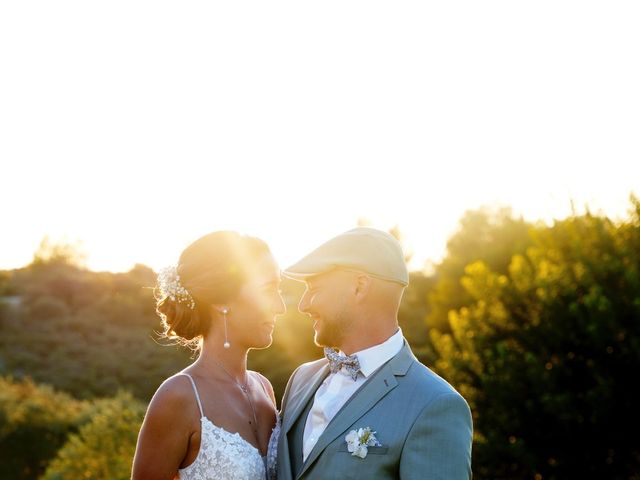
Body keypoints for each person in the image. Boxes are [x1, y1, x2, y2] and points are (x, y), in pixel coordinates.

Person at [276, 227, 473, 479]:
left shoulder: (435, 405)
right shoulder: (300, 381)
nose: (303, 305)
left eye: (314, 289)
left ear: (359, 287)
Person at [132, 231, 285, 480]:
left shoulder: (264, 388)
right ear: (221, 300)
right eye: (268, 290)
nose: (280, 307)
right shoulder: (179, 397)